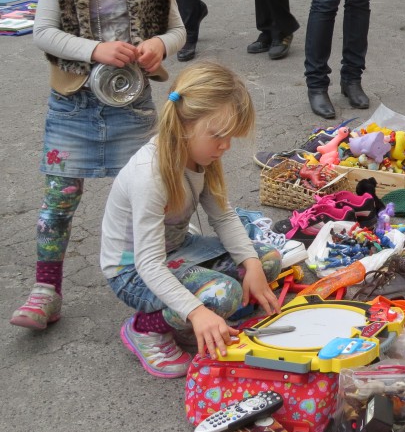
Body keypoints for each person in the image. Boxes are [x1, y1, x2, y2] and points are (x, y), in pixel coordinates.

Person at [10, 0, 186, 331]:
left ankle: (166, 278)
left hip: (134, 106)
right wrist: (95, 50)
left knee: (160, 193)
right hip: (72, 104)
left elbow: (177, 31)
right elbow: (43, 33)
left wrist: (156, 46)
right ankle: (46, 288)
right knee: (60, 199)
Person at [100, 62, 283, 377]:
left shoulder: (201, 154)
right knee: (221, 295)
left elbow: (223, 217)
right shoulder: (150, 175)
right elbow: (148, 264)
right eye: (218, 136)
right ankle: (145, 328)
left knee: (266, 260)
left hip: (177, 250)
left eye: (230, 137)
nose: (225, 146)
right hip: (132, 271)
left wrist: (251, 265)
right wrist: (198, 311)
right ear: (185, 124)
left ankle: (200, 315)